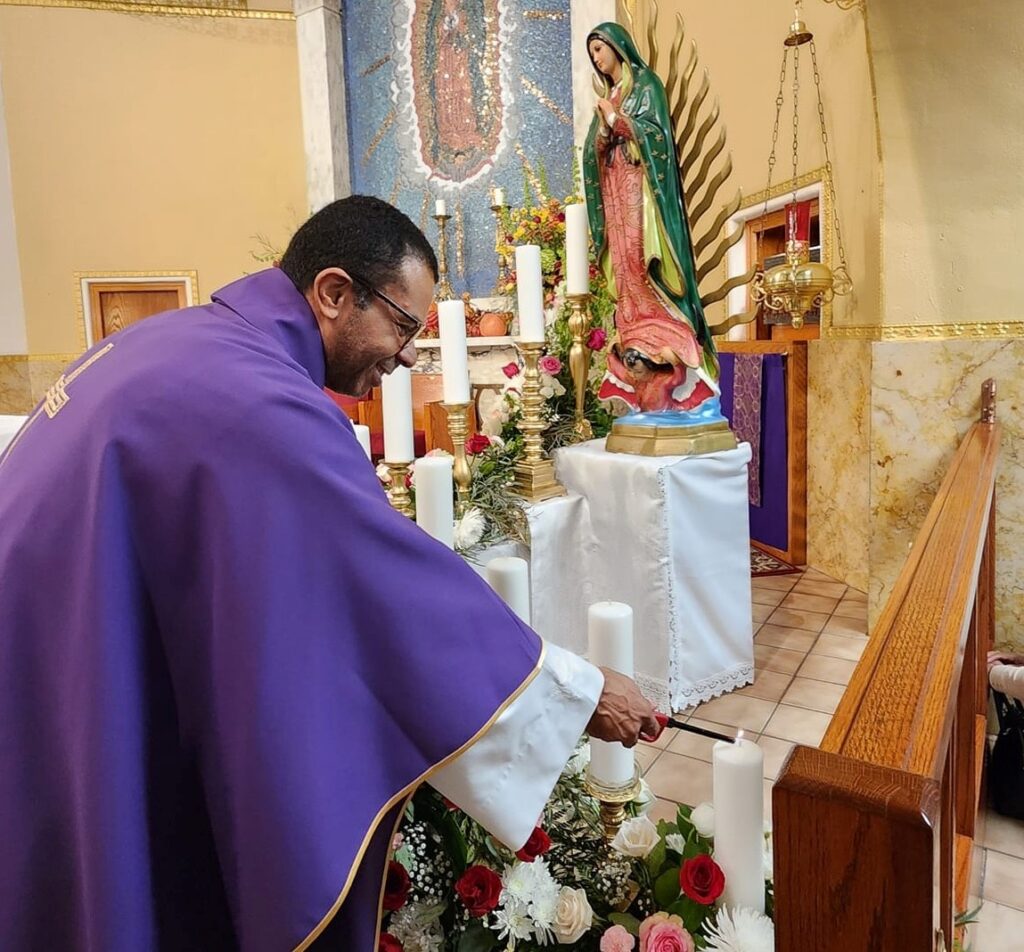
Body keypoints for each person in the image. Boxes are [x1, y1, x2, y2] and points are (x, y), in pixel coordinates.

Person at [0, 195, 658, 951]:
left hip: (46, 659)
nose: (410, 354)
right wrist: (578, 690)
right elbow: (385, 585)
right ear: (334, 292)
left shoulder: (195, 344)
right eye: (403, 325)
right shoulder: (263, 399)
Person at [582, 22, 719, 415]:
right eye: (591, 53)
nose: (596, 58)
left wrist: (619, 123)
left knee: (644, 260)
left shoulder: (647, 86)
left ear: (617, 47)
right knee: (625, 265)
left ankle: (664, 329)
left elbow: (657, 137)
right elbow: (593, 155)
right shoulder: (610, 95)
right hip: (615, 192)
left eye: (599, 49)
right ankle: (635, 328)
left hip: (644, 197)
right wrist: (603, 135)